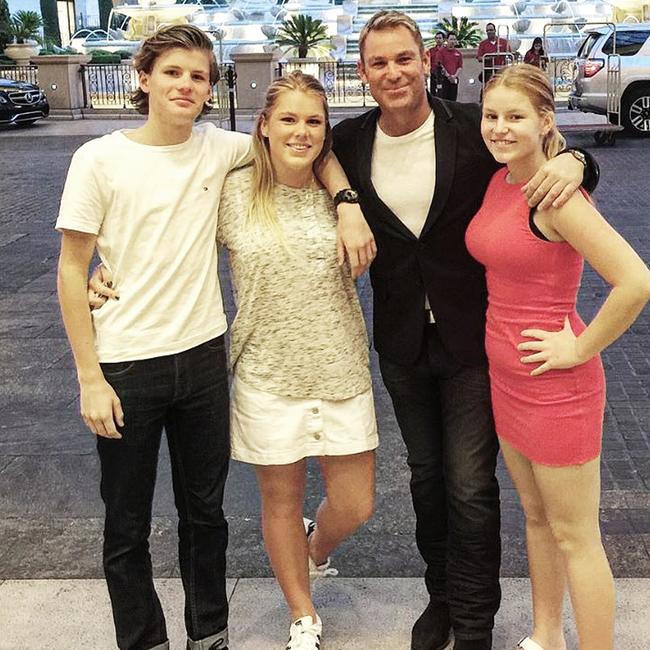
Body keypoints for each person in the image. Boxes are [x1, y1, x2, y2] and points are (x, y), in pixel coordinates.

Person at [56, 25, 373, 650]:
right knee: (126, 523)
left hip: (202, 356)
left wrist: (345, 196)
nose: (186, 85)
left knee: (205, 515)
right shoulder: (99, 158)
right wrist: (88, 374)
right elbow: (71, 268)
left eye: (198, 76)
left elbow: (305, 137)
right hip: (124, 362)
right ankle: (144, 639)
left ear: (209, 89)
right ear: (142, 79)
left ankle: (210, 634)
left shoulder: (218, 149)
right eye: (173, 72)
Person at [332, 11, 599, 650]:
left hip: (475, 338)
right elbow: (293, 156)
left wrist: (581, 163)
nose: (393, 72)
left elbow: (536, 157)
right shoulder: (349, 141)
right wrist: (344, 202)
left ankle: (475, 621)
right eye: (378, 62)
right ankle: (442, 598)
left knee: (471, 485)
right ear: (363, 72)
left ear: (426, 62)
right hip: (401, 341)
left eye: (404, 58)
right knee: (427, 478)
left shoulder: (474, 132)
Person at [466, 63, 650, 650]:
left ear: (545, 121)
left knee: (577, 536)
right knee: (537, 518)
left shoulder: (556, 195)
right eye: (491, 116)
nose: (499, 128)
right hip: (507, 380)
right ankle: (545, 636)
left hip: (556, 388)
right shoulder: (504, 181)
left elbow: (635, 281)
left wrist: (579, 346)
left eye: (515, 117)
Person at [218, 71, 377, 650]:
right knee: (279, 502)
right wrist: (108, 268)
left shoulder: (344, 192)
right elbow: (170, 238)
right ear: (263, 126)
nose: (301, 131)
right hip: (265, 372)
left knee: (356, 503)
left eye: (314, 121)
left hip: (340, 368)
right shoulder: (232, 190)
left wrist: (347, 200)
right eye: (288, 118)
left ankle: (315, 550)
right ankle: (302, 613)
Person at [477, 23, 512, 87]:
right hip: (489, 70)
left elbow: (510, 55)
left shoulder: (504, 42)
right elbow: (479, 58)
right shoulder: (483, 44)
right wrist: (489, 57)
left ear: (495, 30)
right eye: (487, 31)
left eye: (491, 30)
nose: (489, 32)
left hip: (501, 69)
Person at [436, 32, 463, 101]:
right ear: (447, 40)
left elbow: (460, 66)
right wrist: (448, 76)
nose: (452, 41)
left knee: (453, 99)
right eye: (451, 39)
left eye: (454, 39)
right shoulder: (441, 52)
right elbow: (440, 65)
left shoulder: (458, 53)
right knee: (444, 99)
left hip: (454, 79)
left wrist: (454, 76)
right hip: (444, 79)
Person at [427, 31, 446, 95]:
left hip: (444, 75)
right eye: (437, 38)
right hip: (433, 75)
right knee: (433, 92)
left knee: (444, 92)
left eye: (440, 38)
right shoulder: (431, 50)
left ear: (443, 39)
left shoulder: (447, 50)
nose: (438, 40)